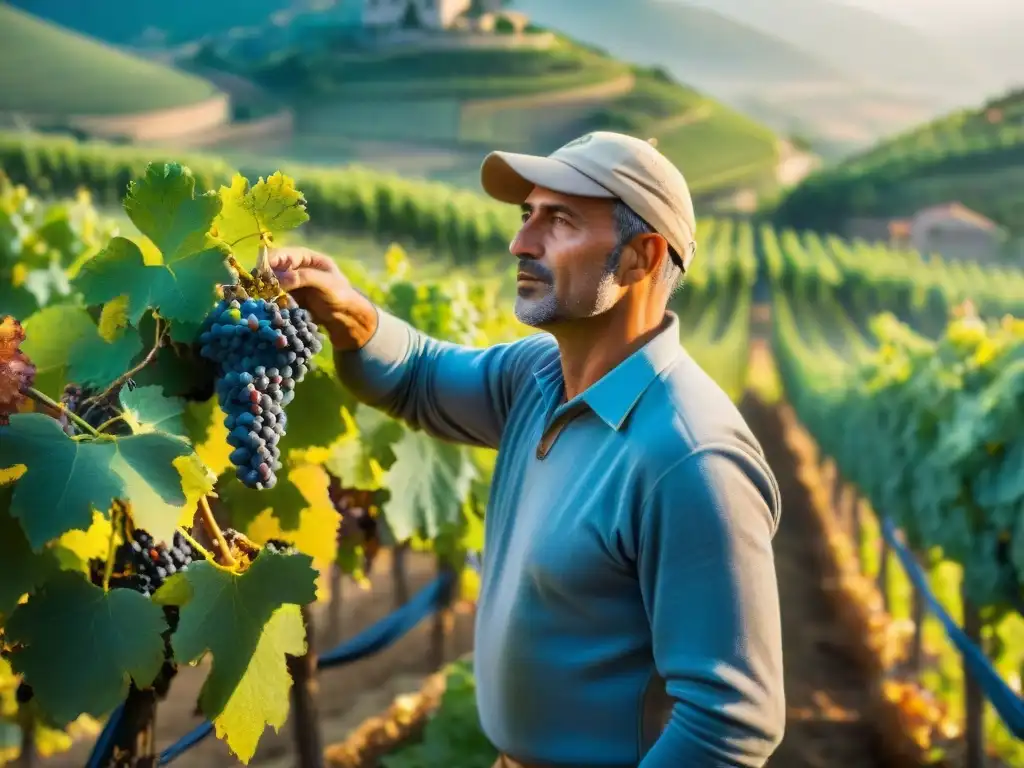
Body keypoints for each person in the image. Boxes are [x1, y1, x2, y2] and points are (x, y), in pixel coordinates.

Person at [269, 131, 785, 768]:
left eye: (560, 220)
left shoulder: (691, 458)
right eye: (526, 215)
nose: (521, 243)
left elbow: (729, 724)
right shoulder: (535, 379)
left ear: (640, 258)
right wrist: (345, 311)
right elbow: (420, 377)